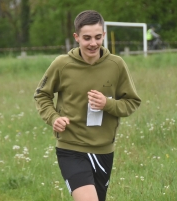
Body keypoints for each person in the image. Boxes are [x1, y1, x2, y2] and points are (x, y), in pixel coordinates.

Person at [34, 10, 141, 201]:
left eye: (98, 37)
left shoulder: (116, 65)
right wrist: (54, 118)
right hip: (71, 147)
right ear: (76, 37)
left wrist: (107, 104)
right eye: (87, 38)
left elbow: (132, 102)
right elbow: (41, 94)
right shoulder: (62, 64)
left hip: (104, 149)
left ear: (104, 35)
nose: (93, 43)